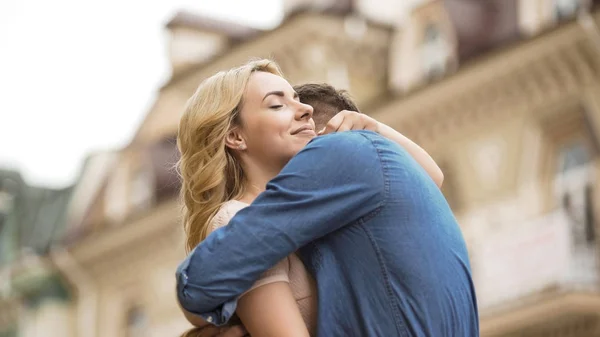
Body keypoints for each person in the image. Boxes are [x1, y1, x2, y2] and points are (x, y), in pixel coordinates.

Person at [177, 59, 478, 336]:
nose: (305, 110)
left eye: (297, 100)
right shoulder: (236, 218)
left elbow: (430, 179)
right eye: (277, 105)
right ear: (235, 136)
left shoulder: (315, 216)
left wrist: (372, 129)